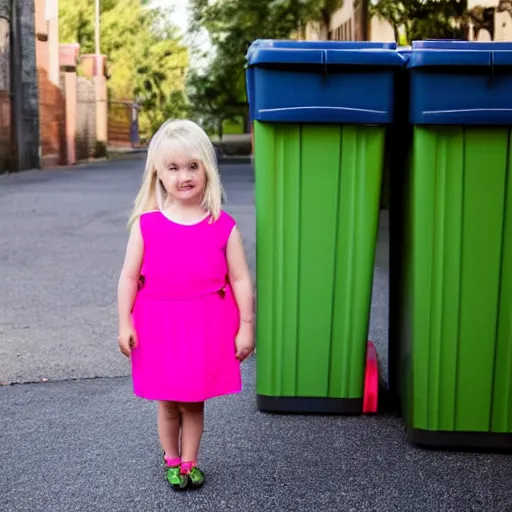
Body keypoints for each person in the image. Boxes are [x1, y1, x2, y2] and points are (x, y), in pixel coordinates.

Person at [116, 119, 255, 491]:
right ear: (158, 175)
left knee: (193, 401)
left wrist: (247, 324)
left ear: (207, 168)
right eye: (173, 168)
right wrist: (124, 322)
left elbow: (240, 279)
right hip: (157, 326)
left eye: (193, 166)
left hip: (204, 327)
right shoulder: (146, 226)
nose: (184, 176)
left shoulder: (222, 226)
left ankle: (190, 461)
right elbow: (129, 278)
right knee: (167, 402)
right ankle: (171, 459)